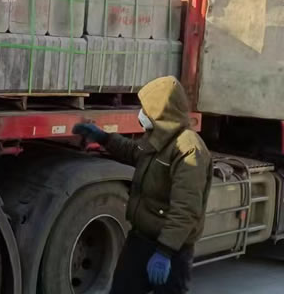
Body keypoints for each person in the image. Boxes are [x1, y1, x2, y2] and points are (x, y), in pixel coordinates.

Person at [73, 76, 212, 294]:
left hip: (170, 250)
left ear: (161, 111)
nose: (141, 113)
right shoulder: (157, 138)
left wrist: (165, 252)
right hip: (141, 239)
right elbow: (134, 152)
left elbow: (186, 209)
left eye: (146, 109)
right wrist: (104, 138)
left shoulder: (189, 150)